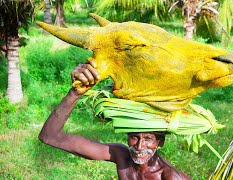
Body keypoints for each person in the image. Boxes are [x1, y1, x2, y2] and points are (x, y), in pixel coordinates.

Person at [38, 59, 191, 180]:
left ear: (160, 142)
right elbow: (50, 136)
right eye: (134, 137)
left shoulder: (170, 177)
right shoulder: (122, 156)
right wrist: (75, 93)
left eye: (148, 138)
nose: (139, 146)